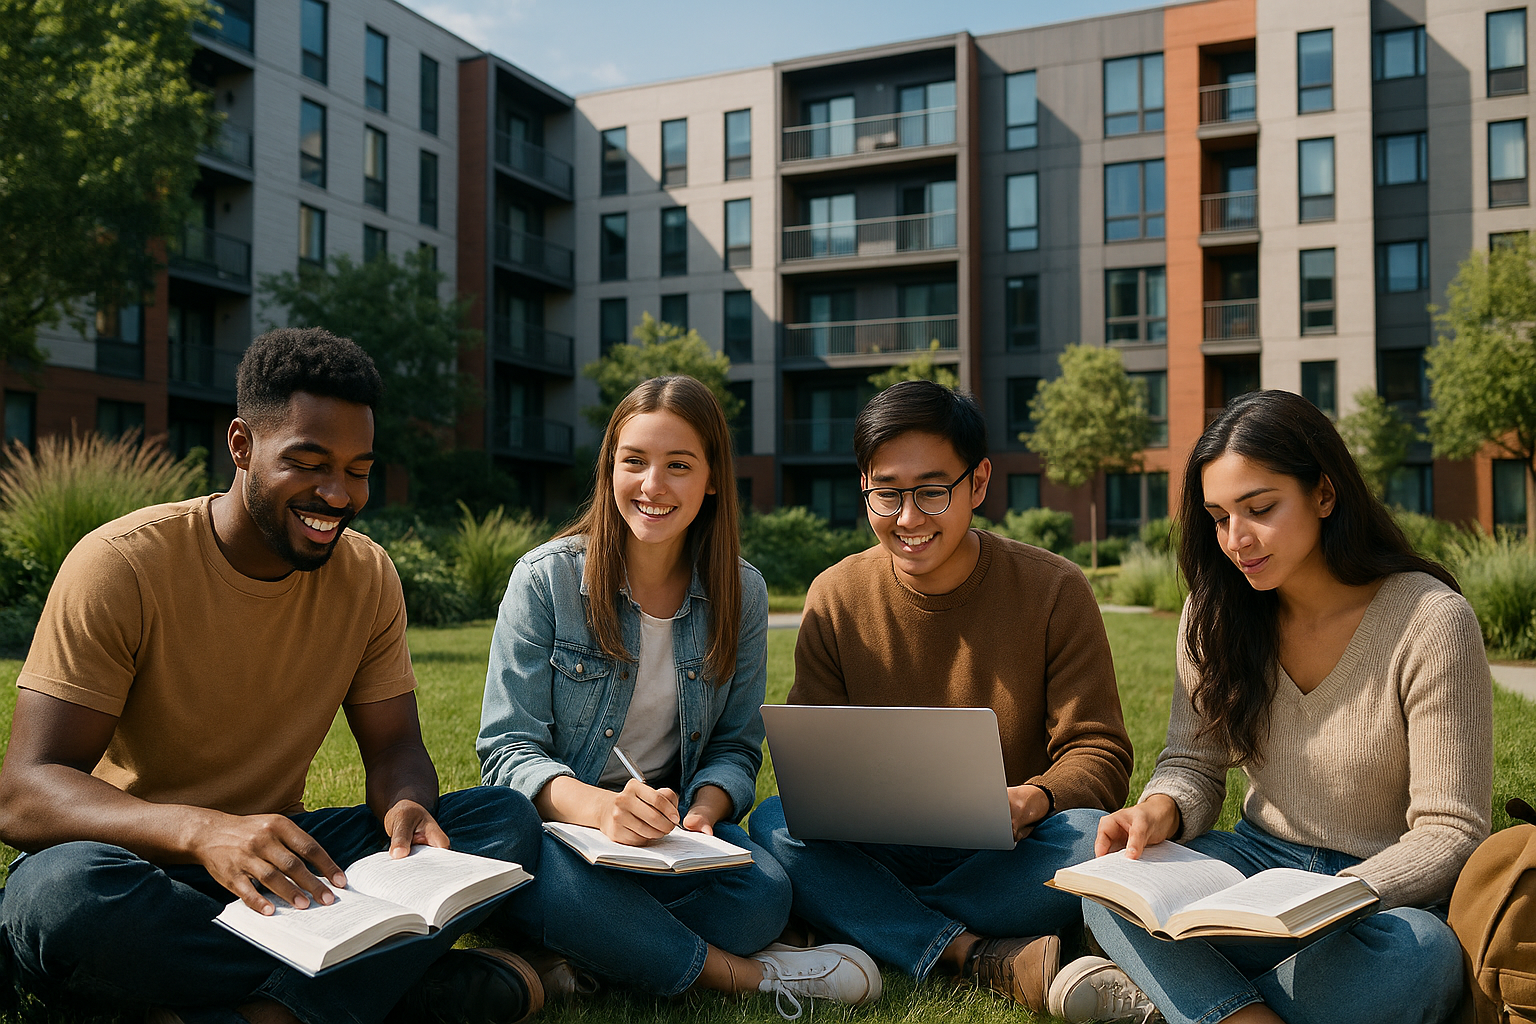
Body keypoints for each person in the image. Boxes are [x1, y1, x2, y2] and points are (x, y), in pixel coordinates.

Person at [0, 328, 547, 1024]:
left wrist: (406, 806)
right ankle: (384, 984)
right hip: (143, 865)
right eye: (308, 462)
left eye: (358, 468)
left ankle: (254, 1012)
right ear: (241, 446)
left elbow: (393, 749)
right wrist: (202, 832)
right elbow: (24, 794)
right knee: (60, 898)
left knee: (501, 819)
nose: (337, 494)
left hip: (289, 867)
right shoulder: (123, 564)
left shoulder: (367, 574)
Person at [1080, 389, 1491, 1024]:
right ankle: (1246, 1015)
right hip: (1252, 865)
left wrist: (1331, 900)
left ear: (1324, 494)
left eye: (1259, 508)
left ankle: (1185, 998)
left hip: (1373, 895)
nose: (1236, 539)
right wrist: (1160, 808)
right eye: (1218, 517)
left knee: (1423, 960)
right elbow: (1192, 763)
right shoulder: (1214, 614)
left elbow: (1451, 831)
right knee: (1108, 894)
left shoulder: (1429, 620)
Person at [477, 375, 881, 1019]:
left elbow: (734, 745)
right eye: (633, 461)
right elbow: (508, 751)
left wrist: (702, 814)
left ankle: (586, 951)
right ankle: (746, 978)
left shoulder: (741, 595)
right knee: (531, 873)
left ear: (713, 478)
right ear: (610, 468)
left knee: (764, 899)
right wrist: (603, 810)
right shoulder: (545, 581)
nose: (652, 486)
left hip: (669, 838)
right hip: (563, 831)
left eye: (679, 466)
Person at [748, 379, 1138, 1018]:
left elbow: (1099, 751)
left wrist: (1035, 797)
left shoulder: (1054, 589)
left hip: (1010, 850)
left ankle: (858, 921)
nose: (908, 518)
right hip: (874, 849)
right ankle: (969, 953)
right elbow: (812, 758)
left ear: (978, 483)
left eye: (932, 491)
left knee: (1096, 839)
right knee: (771, 823)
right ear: (865, 489)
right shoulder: (835, 595)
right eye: (887, 493)